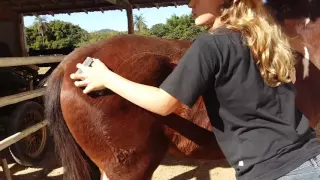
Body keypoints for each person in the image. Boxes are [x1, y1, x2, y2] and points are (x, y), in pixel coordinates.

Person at [70, 0, 320, 179]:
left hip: (270, 171)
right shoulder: (265, 41)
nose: (190, 4)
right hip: (310, 157)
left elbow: (164, 103)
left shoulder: (211, 44)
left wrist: (106, 78)